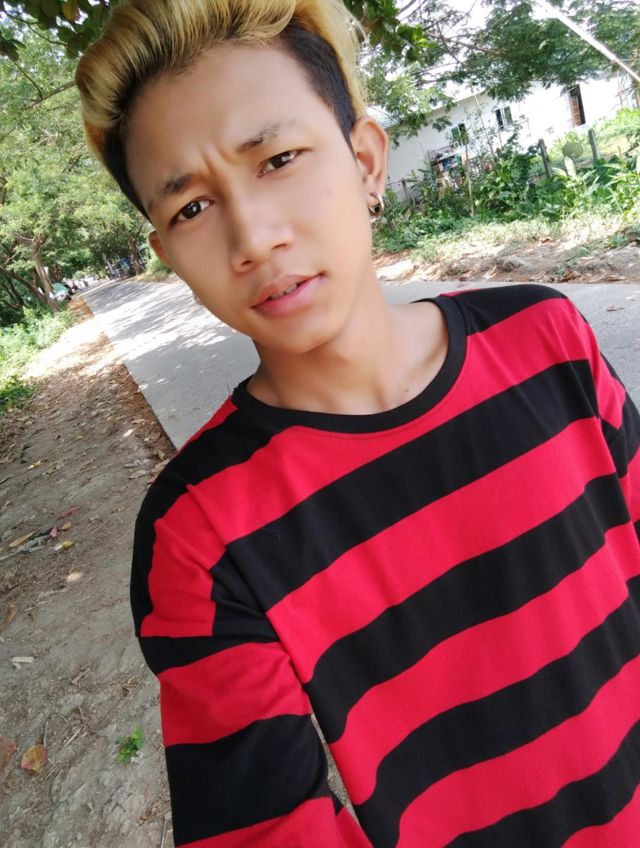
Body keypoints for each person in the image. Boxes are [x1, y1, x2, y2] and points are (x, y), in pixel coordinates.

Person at [75, 1, 640, 845]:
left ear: (366, 160)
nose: (253, 237)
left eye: (278, 159)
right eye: (191, 208)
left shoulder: (546, 339)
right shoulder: (199, 534)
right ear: (167, 253)